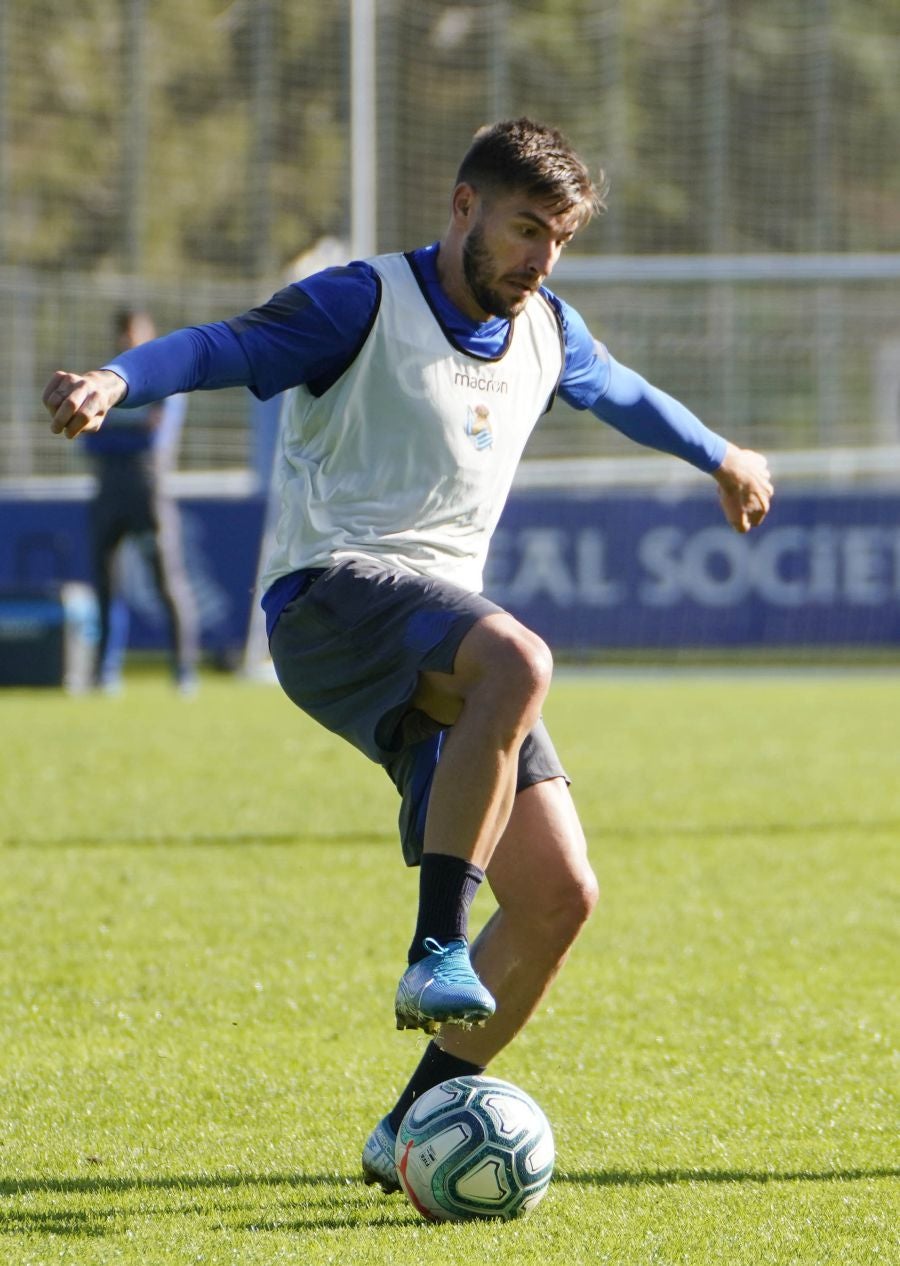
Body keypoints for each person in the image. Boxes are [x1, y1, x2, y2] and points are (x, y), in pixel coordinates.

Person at [42, 118, 773, 1192]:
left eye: (559, 239)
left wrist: (723, 455)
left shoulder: (548, 331)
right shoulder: (360, 302)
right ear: (464, 206)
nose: (540, 258)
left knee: (562, 895)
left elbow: (623, 394)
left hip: (442, 630)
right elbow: (221, 346)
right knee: (519, 659)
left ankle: (407, 1130)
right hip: (327, 596)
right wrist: (117, 379)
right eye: (527, 228)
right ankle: (437, 945)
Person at [82, 309, 199, 693]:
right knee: (106, 585)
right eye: (124, 334)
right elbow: (87, 439)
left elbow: (154, 440)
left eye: (136, 333)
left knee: (167, 582)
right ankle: (104, 672)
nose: (129, 341)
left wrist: (113, 437)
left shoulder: (163, 385)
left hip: (149, 497)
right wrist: (122, 437)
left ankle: (183, 672)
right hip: (108, 496)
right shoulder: (101, 384)